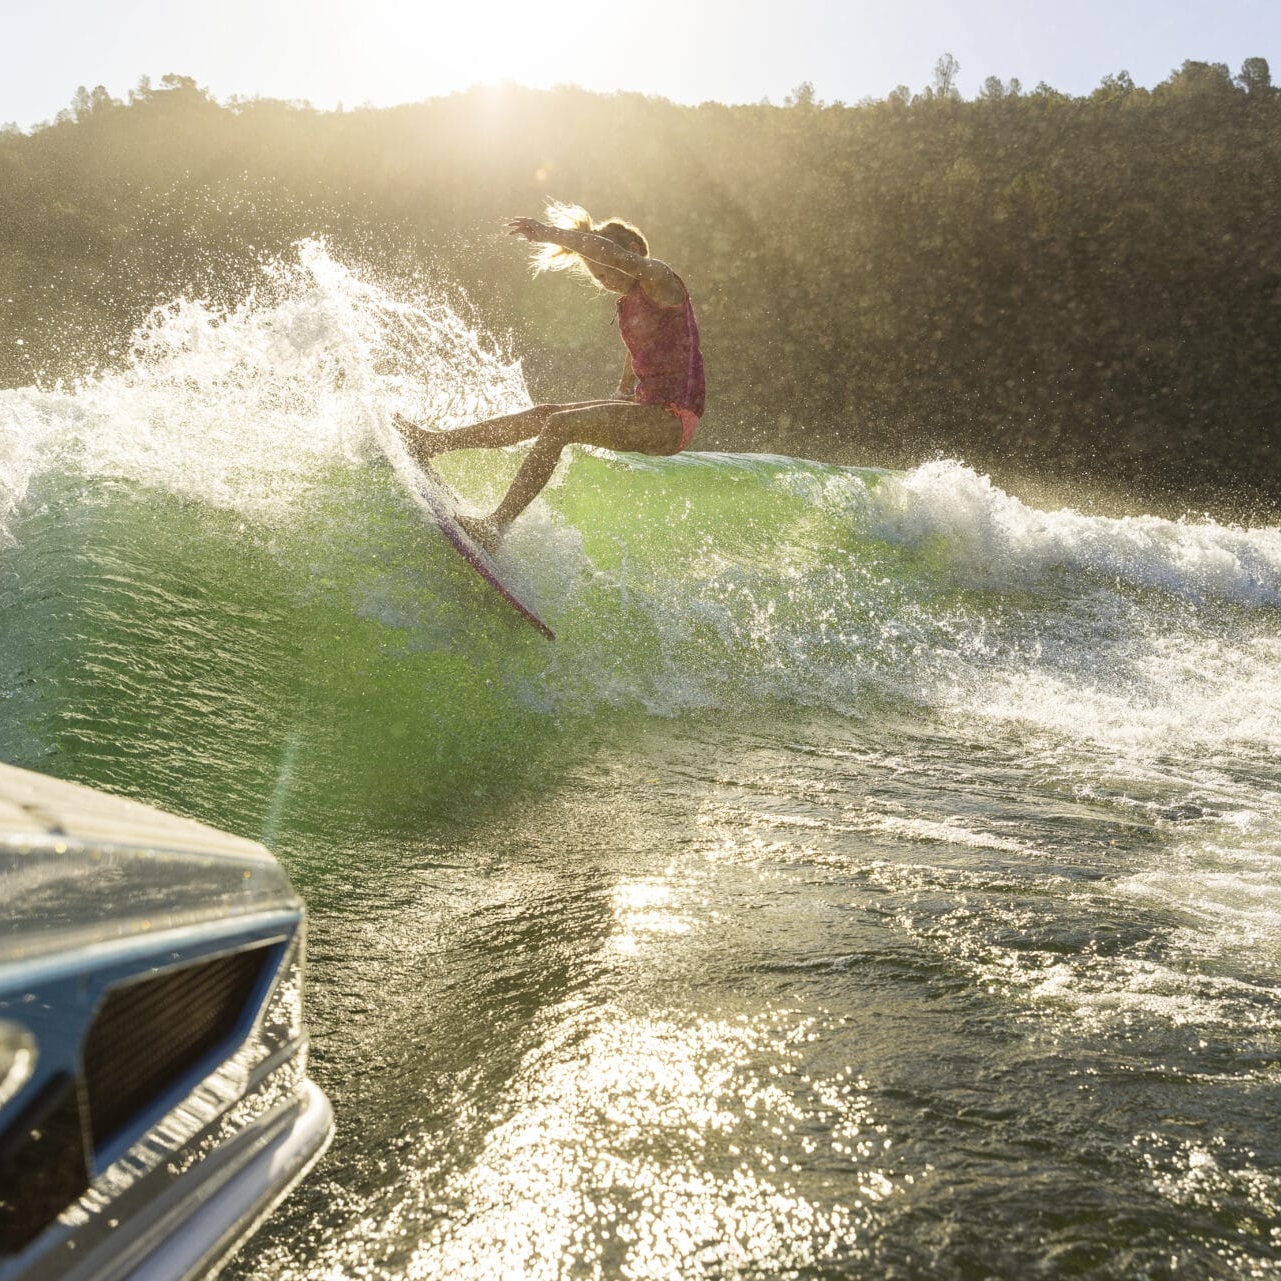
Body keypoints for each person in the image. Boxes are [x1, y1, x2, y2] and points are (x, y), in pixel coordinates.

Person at [394, 204, 705, 550]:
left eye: (607, 273)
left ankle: (496, 526)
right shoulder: (630, 301)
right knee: (546, 415)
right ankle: (432, 444)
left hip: (673, 417)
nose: (605, 283)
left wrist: (550, 234)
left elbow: (611, 253)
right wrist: (623, 389)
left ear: (630, 253)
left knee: (560, 425)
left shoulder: (659, 278)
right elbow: (639, 351)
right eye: (598, 279)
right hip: (651, 409)